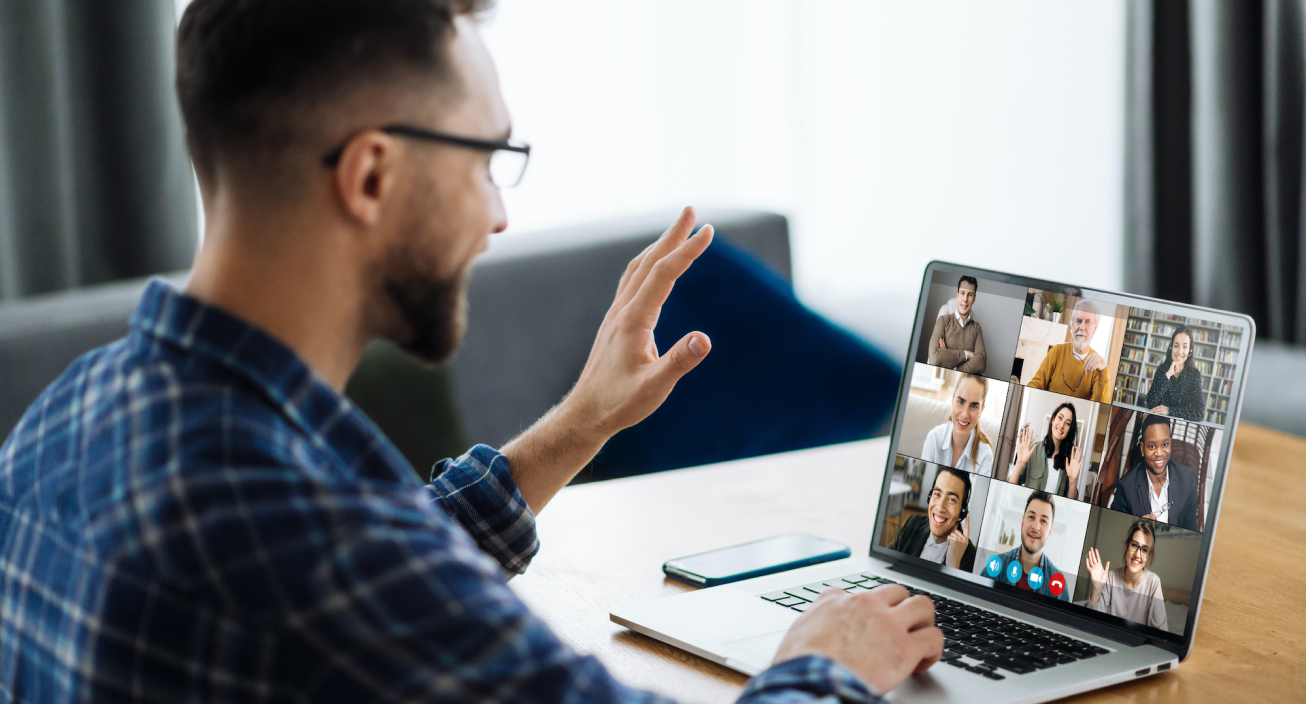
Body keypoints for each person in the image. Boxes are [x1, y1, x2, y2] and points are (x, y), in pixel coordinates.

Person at [0, 2, 943, 702]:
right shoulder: (311, 548)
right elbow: (354, 568)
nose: (496, 216)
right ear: (372, 174)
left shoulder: (70, 415)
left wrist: (584, 421)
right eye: (485, 161)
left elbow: (379, 564)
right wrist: (827, 665)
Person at [1109, 414, 1201, 530]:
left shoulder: (1186, 478)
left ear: (1170, 443)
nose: (1159, 453)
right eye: (1152, 447)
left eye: (1164, 445)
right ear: (1142, 449)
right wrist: (1137, 525)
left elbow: (1191, 529)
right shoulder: (1126, 487)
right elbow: (1115, 528)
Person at [983, 491, 1071, 602]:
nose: (1035, 526)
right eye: (1031, 517)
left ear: (1050, 532)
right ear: (1022, 523)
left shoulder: (1058, 583)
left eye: (1043, 521)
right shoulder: (996, 565)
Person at [887, 467, 977, 572]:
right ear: (930, 497)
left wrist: (953, 565)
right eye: (937, 494)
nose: (940, 507)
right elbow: (885, 561)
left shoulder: (971, 556)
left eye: (952, 499)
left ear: (962, 512)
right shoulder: (913, 522)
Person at [1084, 520, 1169, 631]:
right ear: (1126, 546)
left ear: (1149, 556)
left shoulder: (1153, 582)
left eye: (1144, 550)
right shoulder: (1112, 576)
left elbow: (1161, 632)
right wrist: (1097, 590)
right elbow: (1091, 621)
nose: (1137, 555)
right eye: (1134, 545)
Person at [1026, 300, 1111, 402]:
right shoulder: (1057, 351)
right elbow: (1035, 385)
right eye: (1078, 321)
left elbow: (1101, 406)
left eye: (1088, 322)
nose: (1082, 327)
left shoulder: (1097, 366)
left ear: (1095, 328)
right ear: (1072, 325)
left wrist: (1103, 370)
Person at [920, 373, 995, 477]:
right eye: (960, 402)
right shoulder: (934, 438)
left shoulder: (985, 455)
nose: (964, 414)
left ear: (981, 411)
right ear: (952, 401)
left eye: (973, 406)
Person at [1009, 402, 1086, 499]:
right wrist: (1019, 463)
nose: (1061, 425)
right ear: (1053, 420)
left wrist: (1073, 480)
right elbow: (1010, 489)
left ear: (1070, 429)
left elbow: (1070, 501)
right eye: (1060, 418)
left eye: (1067, 423)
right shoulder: (1033, 450)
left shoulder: (1069, 462)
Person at [927, 275, 987, 374]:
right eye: (962, 293)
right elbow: (934, 358)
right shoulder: (943, 321)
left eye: (970, 295)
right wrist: (967, 355)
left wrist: (949, 362)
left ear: (974, 299)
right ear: (957, 296)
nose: (965, 299)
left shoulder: (976, 327)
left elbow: (981, 363)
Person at [1145, 325, 1206, 422]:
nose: (1179, 351)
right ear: (1171, 348)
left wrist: (1169, 411)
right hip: (1157, 421)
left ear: (1190, 351)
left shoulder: (1194, 376)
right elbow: (1151, 402)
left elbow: (1200, 413)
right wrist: (1168, 374)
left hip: (1179, 427)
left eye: (1185, 347)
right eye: (1176, 346)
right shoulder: (1162, 370)